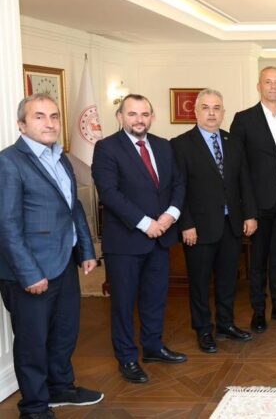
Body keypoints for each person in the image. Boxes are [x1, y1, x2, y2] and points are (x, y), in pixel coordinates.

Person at [0, 94, 103, 418]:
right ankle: (33, 407)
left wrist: (86, 250)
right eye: (39, 116)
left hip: (63, 263)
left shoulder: (60, 157)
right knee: (32, 343)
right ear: (21, 124)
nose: (50, 123)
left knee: (64, 333)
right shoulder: (8, 162)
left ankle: (60, 388)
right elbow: (6, 224)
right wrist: (29, 273)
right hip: (30, 272)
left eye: (54, 116)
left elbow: (73, 208)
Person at [92, 94, 187, 384]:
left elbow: (178, 183)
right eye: (132, 114)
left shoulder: (164, 145)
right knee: (123, 303)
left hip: (161, 237)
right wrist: (146, 224)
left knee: (155, 297)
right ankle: (127, 358)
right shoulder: (107, 148)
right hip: (126, 242)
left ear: (152, 117)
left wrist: (170, 215)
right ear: (120, 117)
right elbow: (109, 193)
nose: (139, 120)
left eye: (145, 114)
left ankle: (153, 347)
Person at [171, 88, 257, 354]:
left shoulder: (233, 141)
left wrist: (250, 214)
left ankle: (225, 324)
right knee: (199, 283)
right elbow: (178, 188)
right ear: (196, 112)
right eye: (206, 108)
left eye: (216, 108)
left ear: (223, 112)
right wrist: (186, 224)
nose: (211, 113)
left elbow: (244, 181)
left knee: (228, 280)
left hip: (231, 224)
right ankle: (203, 330)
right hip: (198, 228)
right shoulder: (181, 144)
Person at [230, 66, 276, 331]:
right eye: (268, 82)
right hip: (257, 201)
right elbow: (237, 166)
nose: (273, 86)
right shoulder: (243, 119)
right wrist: (246, 208)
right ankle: (259, 311)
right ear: (259, 87)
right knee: (259, 259)